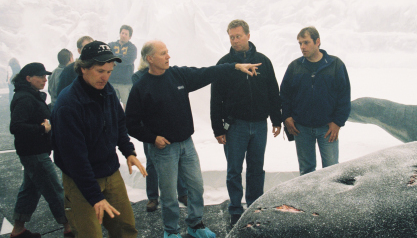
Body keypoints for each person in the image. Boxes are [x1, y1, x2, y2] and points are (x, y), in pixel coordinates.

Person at [126, 40, 260, 238]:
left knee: (196, 187)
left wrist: (235, 66)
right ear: (150, 59)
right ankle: (171, 232)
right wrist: (152, 138)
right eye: (163, 53)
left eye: (167, 52)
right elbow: (131, 124)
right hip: (164, 149)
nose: (168, 56)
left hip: (186, 144)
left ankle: (195, 225)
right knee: (170, 195)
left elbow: (207, 72)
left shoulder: (178, 75)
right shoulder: (141, 87)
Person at [51, 41, 147, 238]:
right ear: (83, 68)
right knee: (90, 234)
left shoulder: (108, 91)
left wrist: (128, 151)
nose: (106, 77)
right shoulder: (68, 104)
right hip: (80, 178)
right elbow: (74, 158)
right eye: (100, 71)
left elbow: (119, 122)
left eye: (110, 71)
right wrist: (95, 197)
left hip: (110, 172)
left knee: (126, 228)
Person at [210, 19, 282, 226]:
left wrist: (276, 119)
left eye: (238, 36)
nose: (234, 41)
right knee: (234, 170)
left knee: (256, 169)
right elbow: (216, 99)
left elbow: (272, 91)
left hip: (260, 124)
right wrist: (217, 129)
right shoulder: (224, 64)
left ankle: (253, 206)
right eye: (231, 37)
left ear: (248, 36)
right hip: (235, 126)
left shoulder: (263, 61)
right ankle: (235, 208)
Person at [10, 63, 73, 238]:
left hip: (33, 152)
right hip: (34, 153)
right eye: (40, 77)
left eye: (45, 76)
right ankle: (70, 228)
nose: (45, 80)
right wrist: (41, 129)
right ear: (28, 78)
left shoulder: (31, 95)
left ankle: (18, 229)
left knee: (30, 190)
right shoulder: (25, 98)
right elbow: (16, 126)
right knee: (55, 189)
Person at [280, 26, 351, 176]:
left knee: (331, 171)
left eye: (306, 42)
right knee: (306, 171)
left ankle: (330, 200)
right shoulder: (295, 66)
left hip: (328, 128)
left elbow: (344, 96)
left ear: (317, 41)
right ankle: (308, 200)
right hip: (301, 128)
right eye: (300, 43)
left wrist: (338, 122)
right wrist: (286, 117)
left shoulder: (335, 65)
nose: (302, 47)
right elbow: (284, 94)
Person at [132, 60, 188, 212]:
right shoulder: (138, 77)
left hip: (170, 127)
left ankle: (182, 193)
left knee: (176, 160)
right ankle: (152, 197)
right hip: (149, 129)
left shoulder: (167, 74)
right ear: (149, 59)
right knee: (151, 162)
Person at [109, 25, 137, 109]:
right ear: (119, 33)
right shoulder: (110, 45)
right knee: (112, 106)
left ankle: (127, 122)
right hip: (111, 81)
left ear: (130, 37)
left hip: (126, 82)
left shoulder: (132, 48)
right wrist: (121, 57)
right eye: (122, 33)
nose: (123, 35)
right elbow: (107, 58)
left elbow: (128, 60)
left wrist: (115, 57)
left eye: (126, 34)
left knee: (128, 106)